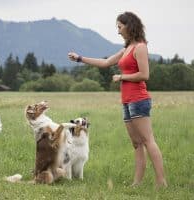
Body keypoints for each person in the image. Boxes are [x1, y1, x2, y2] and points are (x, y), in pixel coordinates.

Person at [68, 11, 167, 188]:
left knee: (147, 140)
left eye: (120, 27)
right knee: (137, 144)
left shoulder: (140, 47)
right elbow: (105, 63)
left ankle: (161, 182)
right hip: (127, 102)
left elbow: (144, 75)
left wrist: (122, 77)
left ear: (130, 26)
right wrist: (80, 59)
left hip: (139, 100)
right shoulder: (126, 49)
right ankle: (136, 183)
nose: (118, 31)